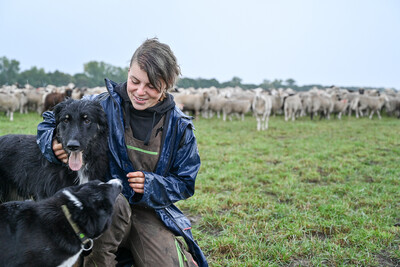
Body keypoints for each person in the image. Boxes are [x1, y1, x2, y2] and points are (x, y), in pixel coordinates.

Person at [37, 38, 208, 267]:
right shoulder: (101, 105)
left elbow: (185, 182)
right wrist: (51, 142)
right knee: (113, 203)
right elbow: (50, 120)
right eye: (134, 81)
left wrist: (152, 185)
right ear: (128, 71)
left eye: (151, 86)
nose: (139, 91)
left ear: (167, 85)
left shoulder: (180, 127)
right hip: (105, 205)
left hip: (148, 213)